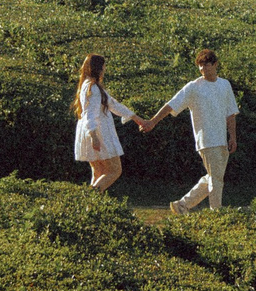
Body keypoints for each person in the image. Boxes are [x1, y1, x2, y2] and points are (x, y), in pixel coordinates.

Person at [142, 47, 239, 212]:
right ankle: (217, 214)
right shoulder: (193, 87)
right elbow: (171, 105)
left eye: (206, 65)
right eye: (200, 66)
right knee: (216, 180)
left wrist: (233, 137)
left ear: (215, 64)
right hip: (206, 140)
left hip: (221, 139)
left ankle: (181, 205)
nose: (202, 69)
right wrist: (153, 121)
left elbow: (231, 114)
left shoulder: (225, 85)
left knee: (213, 178)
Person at [71, 54, 138, 192]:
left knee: (99, 171)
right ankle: (90, 197)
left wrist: (136, 118)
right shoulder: (93, 89)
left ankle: (89, 203)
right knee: (114, 170)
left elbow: (113, 104)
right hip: (97, 132)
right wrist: (94, 136)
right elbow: (90, 113)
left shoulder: (88, 85)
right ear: (98, 68)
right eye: (103, 66)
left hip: (90, 131)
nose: (104, 69)